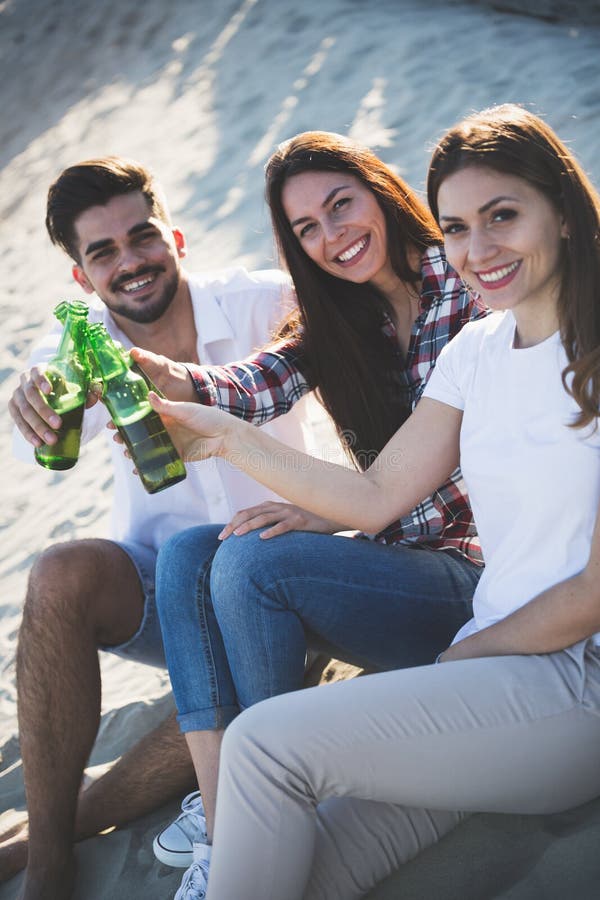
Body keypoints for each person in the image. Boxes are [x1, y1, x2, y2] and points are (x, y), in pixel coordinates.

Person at [147, 103, 600, 900]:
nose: (478, 249)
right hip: (495, 677)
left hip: (568, 685)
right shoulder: (478, 348)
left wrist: (467, 655)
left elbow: (592, 595)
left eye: (502, 216)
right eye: (458, 226)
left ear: (561, 211)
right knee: (299, 862)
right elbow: (378, 493)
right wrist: (219, 434)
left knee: (263, 748)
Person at [4, 156, 315, 900]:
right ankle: (49, 859)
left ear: (174, 237)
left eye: (141, 237)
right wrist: (37, 400)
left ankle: (54, 832)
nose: (130, 262)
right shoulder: (80, 353)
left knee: (246, 656)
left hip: (278, 574)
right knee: (60, 572)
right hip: (160, 596)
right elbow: (43, 420)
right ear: (82, 278)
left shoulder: (261, 304)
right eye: (102, 251)